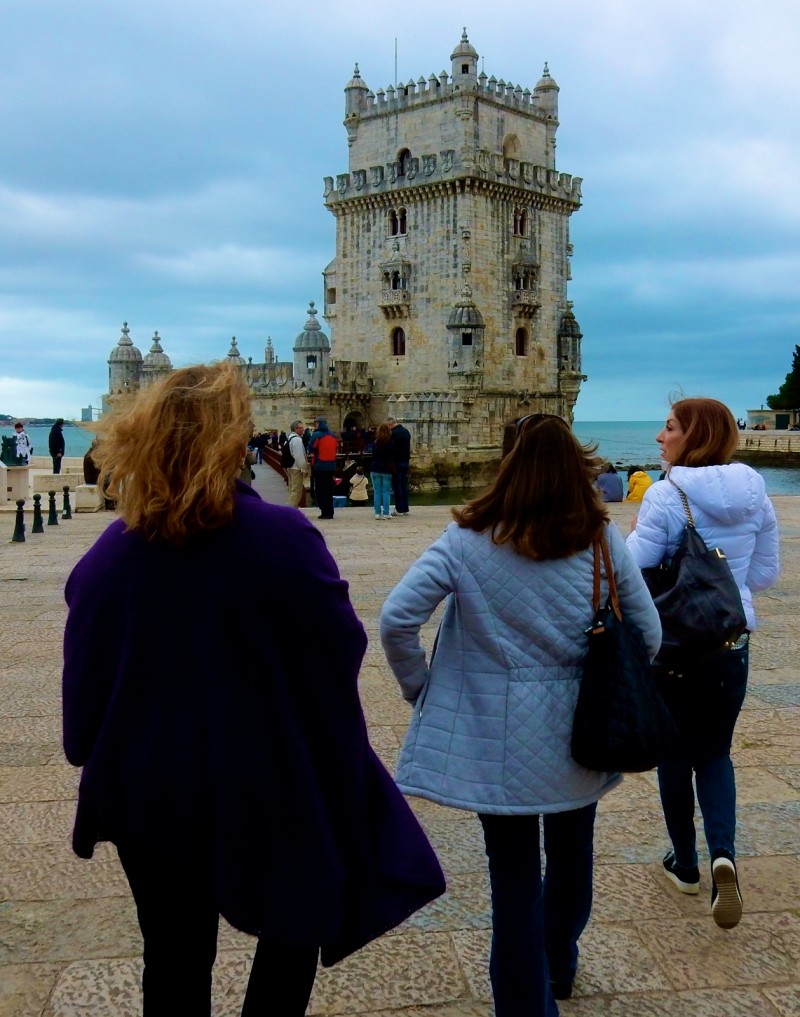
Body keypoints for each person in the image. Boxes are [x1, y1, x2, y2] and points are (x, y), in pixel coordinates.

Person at [61, 363, 445, 1017]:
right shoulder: (283, 537)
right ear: (236, 439)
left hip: (149, 793)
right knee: (293, 926)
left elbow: (82, 711)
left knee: (174, 957)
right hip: (270, 777)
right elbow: (338, 651)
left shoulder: (110, 554)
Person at [380, 414, 661, 1016]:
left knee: (512, 881)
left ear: (507, 462)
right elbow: (648, 631)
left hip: (494, 733)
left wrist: (419, 688)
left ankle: (525, 1005)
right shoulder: (600, 538)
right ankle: (559, 962)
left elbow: (397, 619)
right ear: (575, 463)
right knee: (572, 852)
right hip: (582, 726)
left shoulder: (466, 538)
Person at [627, 398, 779, 930]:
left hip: (673, 647)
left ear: (693, 436)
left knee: (674, 755)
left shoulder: (667, 496)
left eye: (668, 427)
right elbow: (763, 575)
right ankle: (724, 855)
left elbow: (633, 570)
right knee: (715, 754)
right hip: (728, 644)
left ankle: (685, 864)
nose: (659, 438)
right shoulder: (757, 493)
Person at [309, 418, 339, 520]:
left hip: (320, 466)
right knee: (329, 490)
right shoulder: (333, 436)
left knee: (320, 490)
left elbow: (310, 448)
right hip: (331, 466)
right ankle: (330, 511)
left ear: (318, 424)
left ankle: (324, 511)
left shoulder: (317, 435)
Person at [370, 422, 396, 520]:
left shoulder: (375, 443)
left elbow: (373, 455)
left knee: (377, 492)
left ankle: (377, 513)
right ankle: (386, 512)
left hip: (375, 468)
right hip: (386, 469)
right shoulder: (391, 443)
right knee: (386, 492)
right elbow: (393, 455)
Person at [387, 416, 411, 515]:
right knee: (403, 485)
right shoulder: (406, 431)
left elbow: (392, 449)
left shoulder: (394, 433)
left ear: (390, 424)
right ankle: (405, 508)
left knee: (397, 486)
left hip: (397, 462)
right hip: (405, 461)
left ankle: (399, 509)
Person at [285, 420, 309, 508]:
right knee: (296, 491)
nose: (303, 430)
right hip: (296, 468)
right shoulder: (297, 440)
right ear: (296, 429)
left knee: (292, 489)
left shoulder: (289, 438)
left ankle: (292, 508)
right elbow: (299, 456)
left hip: (291, 467)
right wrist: (304, 468)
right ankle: (292, 511)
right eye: (301, 428)